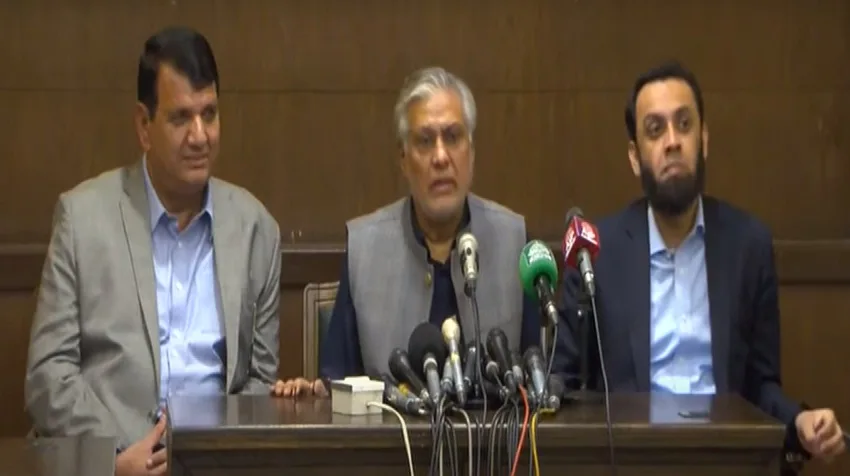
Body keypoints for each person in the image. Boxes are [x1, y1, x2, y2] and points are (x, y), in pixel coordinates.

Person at [555, 60, 845, 470]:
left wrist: (800, 421)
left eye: (684, 124)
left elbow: (760, 387)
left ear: (703, 139)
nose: (672, 142)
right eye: (655, 129)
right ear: (635, 157)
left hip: (725, 459)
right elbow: (566, 386)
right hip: (630, 460)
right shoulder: (596, 254)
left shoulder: (747, 245)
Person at [24, 26, 281, 476]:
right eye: (181, 118)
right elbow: (49, 376)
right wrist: (116, 458)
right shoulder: (83, 219)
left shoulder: (256, 229)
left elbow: (259, 382)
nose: (200, 136)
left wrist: (209, 452)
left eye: (209, 114)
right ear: (144, 126)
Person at [274, 66, 541, 397]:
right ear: (403, 159)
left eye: (453, 137)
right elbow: (337, 386)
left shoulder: (514, 241)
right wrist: (314, 397)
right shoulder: (364, 250)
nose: (440, 157)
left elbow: (538, 382)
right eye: (425, 141)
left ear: (471, 152)